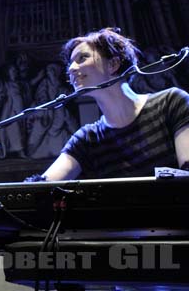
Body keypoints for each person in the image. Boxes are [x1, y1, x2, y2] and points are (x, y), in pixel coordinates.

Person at [41, 28, 189, 180]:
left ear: (113, 63)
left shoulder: (171, 102)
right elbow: (41, 188)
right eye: (70, 63)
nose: (71, 69)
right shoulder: (87, 138)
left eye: (82, 58)